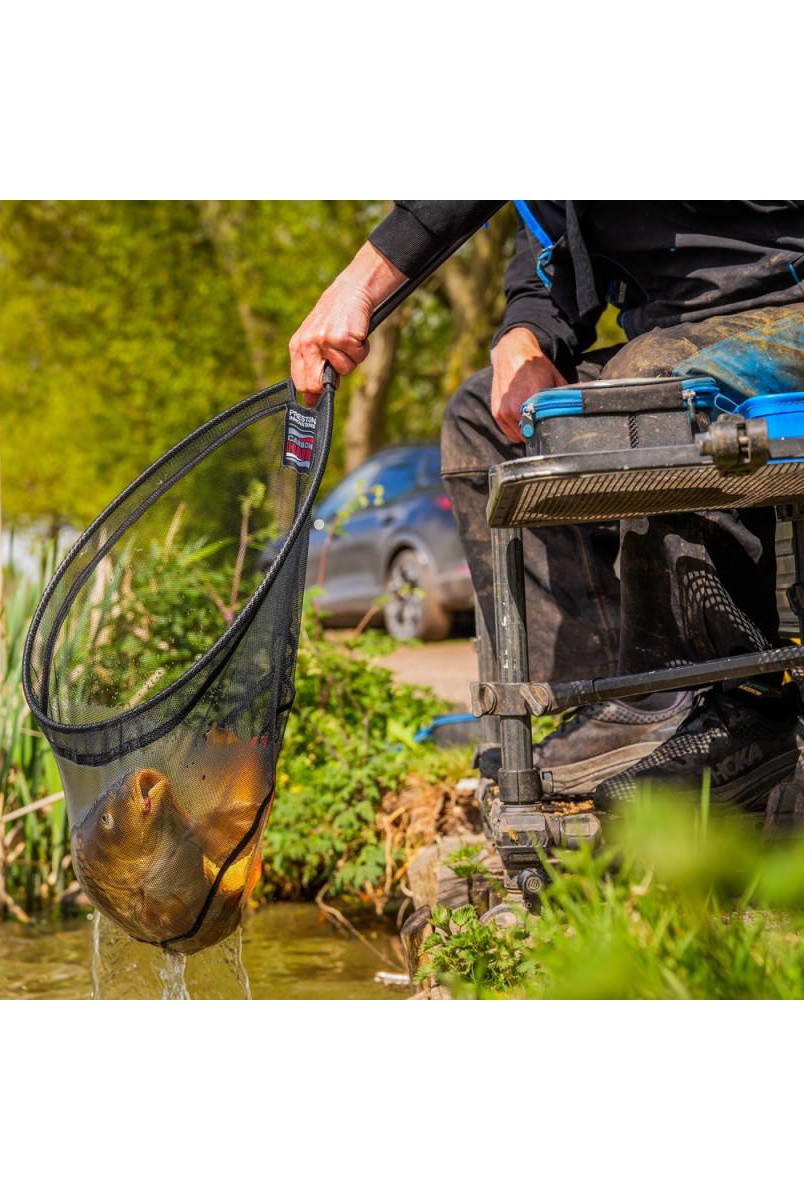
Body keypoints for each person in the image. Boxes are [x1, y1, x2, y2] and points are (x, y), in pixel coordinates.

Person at [290, 201, 804, 810]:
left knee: (646, 393)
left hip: (783, 312)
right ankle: (607, 707)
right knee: (481, 414)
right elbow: (547, 267)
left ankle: (728, 702)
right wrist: (522, 336)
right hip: (670, 339)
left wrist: (358, 286)